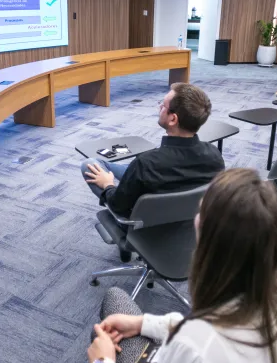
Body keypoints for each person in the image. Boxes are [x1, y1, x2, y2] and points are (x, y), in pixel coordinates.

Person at [87, 169, 277, 363]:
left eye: (200, 215)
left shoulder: (195, 352)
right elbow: (210, 334)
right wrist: (144, 323)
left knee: (114, 301)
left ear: (209, 246)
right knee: (122, 318)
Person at [81, 84, 224, 256]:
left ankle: (123, 237)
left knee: (89, 164)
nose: (159, 108)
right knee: (131, 168)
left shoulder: (146, 164)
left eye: (163, 106)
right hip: (189, 228)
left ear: (173, 119)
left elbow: (118, 207)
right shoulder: (215, 155)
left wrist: (108, 186)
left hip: (145, 232)